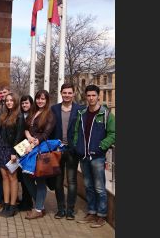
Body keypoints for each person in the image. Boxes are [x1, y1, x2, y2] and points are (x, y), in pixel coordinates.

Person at [73, 84, 116, 228]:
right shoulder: (82, 113)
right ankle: (91, 212)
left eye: (93, 95)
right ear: (86, 97)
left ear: (98, 96)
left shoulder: (106, 114)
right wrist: (77, 146)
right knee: (88, 186)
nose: (91, 98)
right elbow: (77, 132)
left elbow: (113, 134)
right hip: (84, 156)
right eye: (89, 95)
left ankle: (101, 215)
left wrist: (101, 147)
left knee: (99, 187)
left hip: (97, 157)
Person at [50, 83, 83, 220]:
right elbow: (50, 128)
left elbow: (81, 131)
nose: (67, 95)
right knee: (58, 182)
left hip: (72, 151)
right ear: (61, 93)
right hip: (57, 150)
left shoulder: (80, 109)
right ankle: (60, 209)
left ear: (73, 94)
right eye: (65, 92)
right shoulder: (54, 109)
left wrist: (77, 147)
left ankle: (70, 210)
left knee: (72, 181)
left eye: (70, 93)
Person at [21, 90, 56, 220]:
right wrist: (29, 137)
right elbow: (26, 127)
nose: (40, 101)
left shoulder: (50, 115)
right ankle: (40, 205)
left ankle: (38, 209)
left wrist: (32, 144)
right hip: (29, 147)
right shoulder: (33, 111)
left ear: (47, 100)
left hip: (40, 149)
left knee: (40, 179)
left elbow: (46, 134)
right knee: (26, 176)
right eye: (38, 98)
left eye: (43, 99)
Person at [0, 93, 25, 217]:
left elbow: (19, 136)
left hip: (11, 151)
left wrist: (14, 153)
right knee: (5, 178)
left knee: (13, 178)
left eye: (11, 100)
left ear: (15, 102)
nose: (9, 102)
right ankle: (6, 204)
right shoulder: (4, 115)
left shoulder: (19, 116)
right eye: (7, 100)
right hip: (1, 149)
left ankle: (13, 206)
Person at [17, 94, 34, 212]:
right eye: (22, 103)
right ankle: (24, 200)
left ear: (31, 104)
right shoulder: (20, 115)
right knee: (22, 178)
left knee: (28, 177)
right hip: (20, 149)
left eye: (26, 103)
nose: (24, 105)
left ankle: (28, 202)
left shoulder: (34, 116)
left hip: (30, 149)